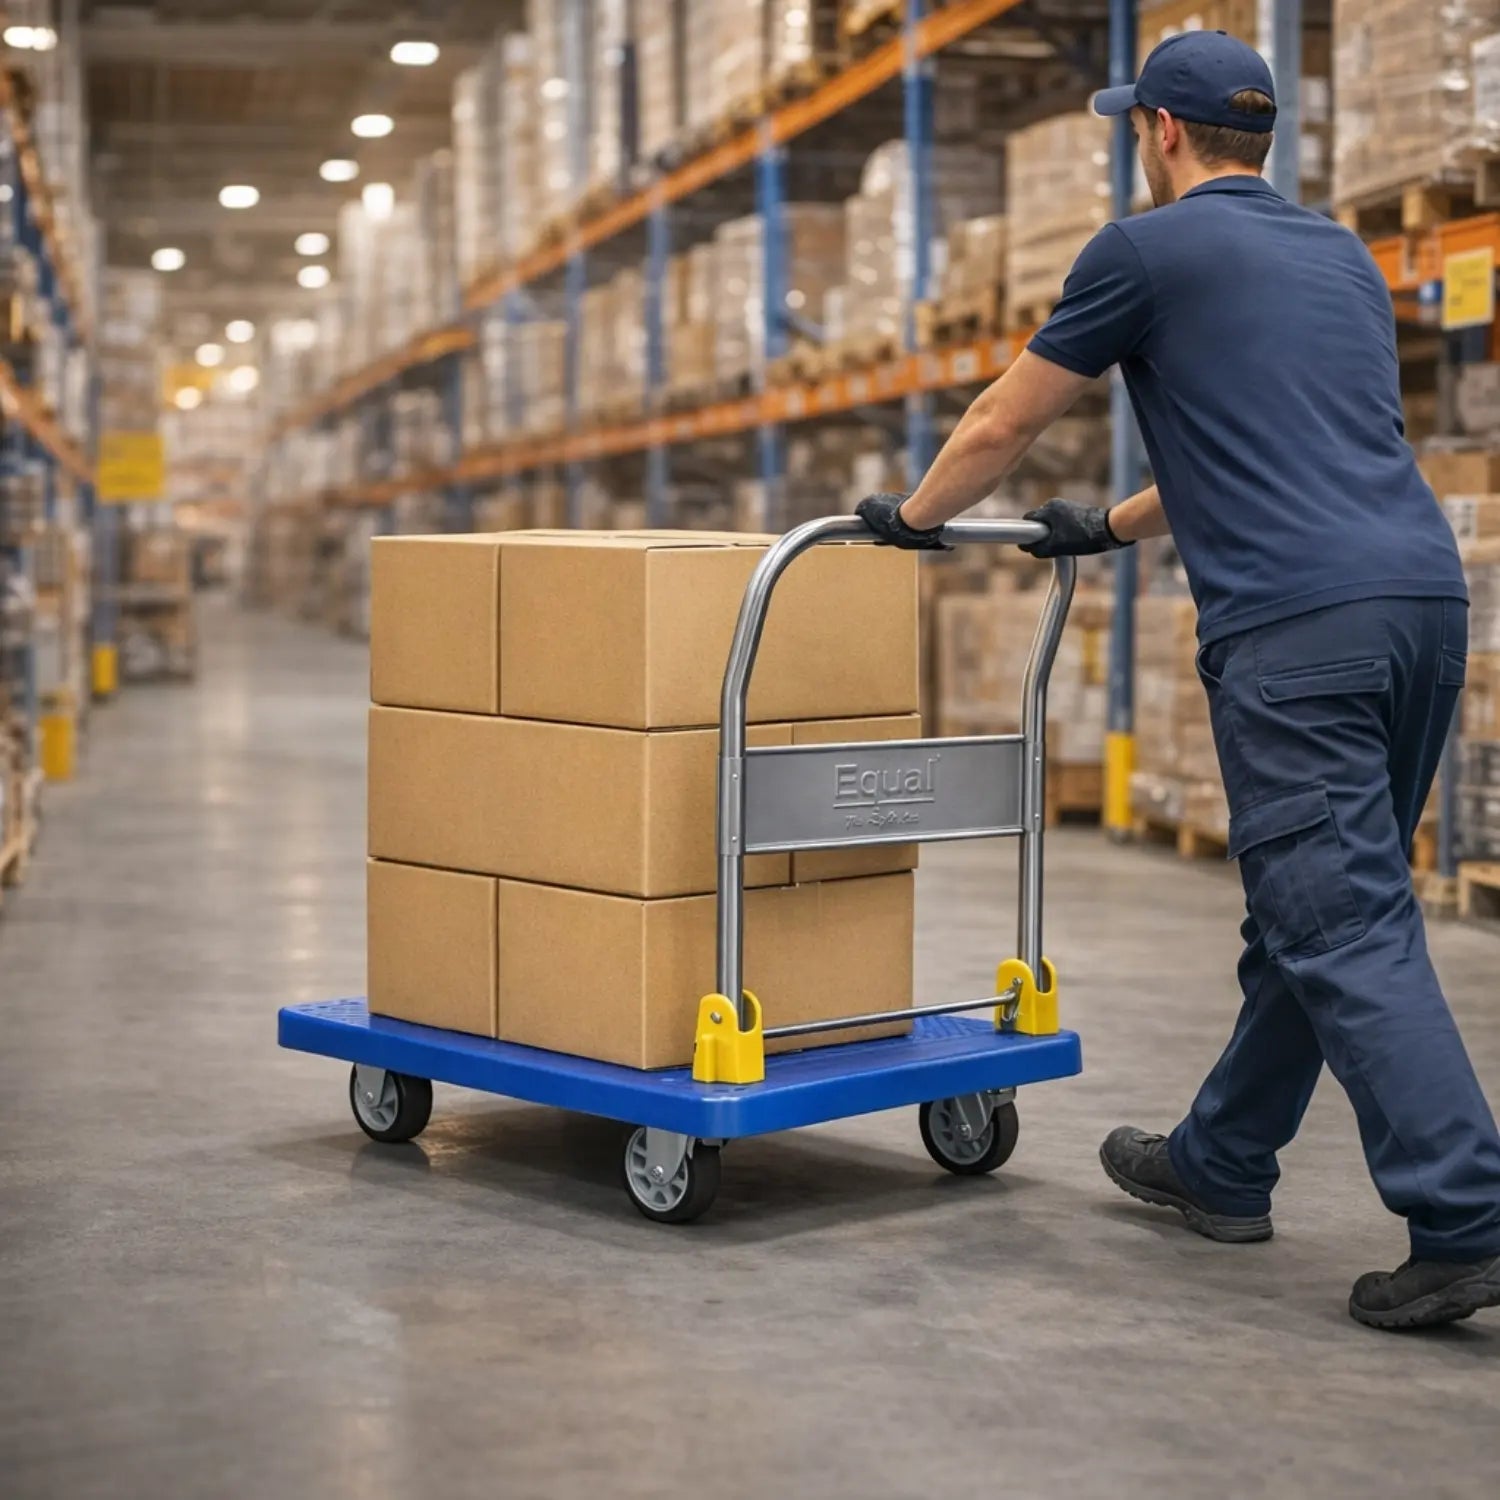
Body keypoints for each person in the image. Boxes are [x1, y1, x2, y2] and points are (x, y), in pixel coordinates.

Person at [858, 30, 1500, 1330]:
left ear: (1158, 132)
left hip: (1296, 631)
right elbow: (1274, 448)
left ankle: (1466, 1213)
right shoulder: (1344, 259)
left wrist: (916, 521)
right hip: (1422, 607)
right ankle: (1223, 1160)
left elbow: (1002, 420)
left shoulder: (1140, 251)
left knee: (1347, 923)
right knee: (1311, 918)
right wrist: (1105, 525)